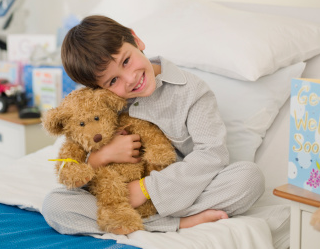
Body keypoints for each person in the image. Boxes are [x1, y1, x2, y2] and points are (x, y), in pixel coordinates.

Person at [42, 15, 265, 235]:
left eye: (126, 61)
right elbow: (75, 170)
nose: (129, 79)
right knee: (55, 205)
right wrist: (102, 157)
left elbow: (212, 155)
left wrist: (145, 189)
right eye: (112, 81)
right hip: (117, 195)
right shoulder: (97, 104)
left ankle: (136, 220)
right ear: (98, 89)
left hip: (181, 190)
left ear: (136, 39)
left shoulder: (192, 91)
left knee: (248, 178)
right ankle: (180, 223)